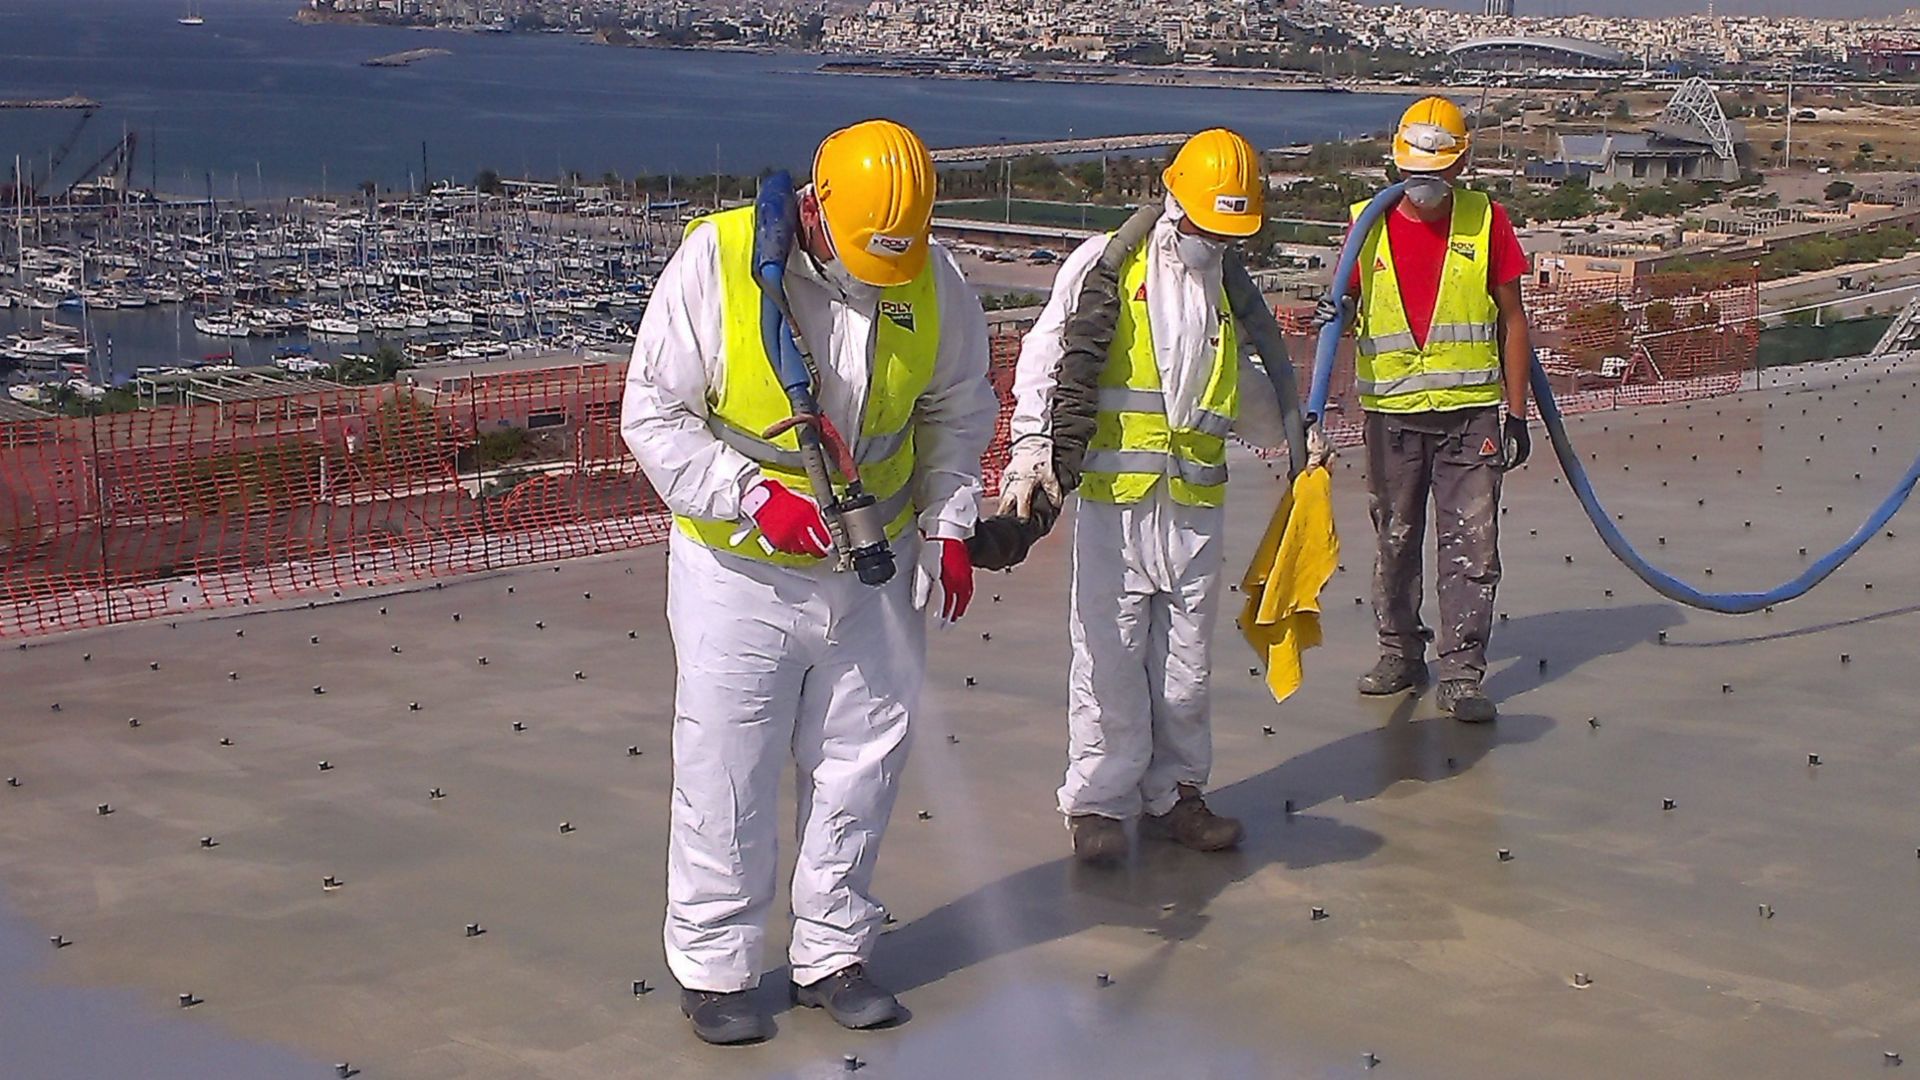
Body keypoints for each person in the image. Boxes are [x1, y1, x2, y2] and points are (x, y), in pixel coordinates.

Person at [621, 119, 998, 1045]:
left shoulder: (930, 277)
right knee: (727, 767)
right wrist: (751, 496)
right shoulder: (718, 264)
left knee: (863, 761)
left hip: (875, 566)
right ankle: (716, 968)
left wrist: (951, 524)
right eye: (867, 255)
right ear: (820, 209)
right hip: (740, 573)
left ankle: (833, 949)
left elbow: (959, 409)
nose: (882, 275)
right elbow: (653, 413)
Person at [999, 129, 1289, 865]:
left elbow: (1240, 386)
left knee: (1187, 669)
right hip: (1116, 502)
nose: (1214, 240)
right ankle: (1097, 802)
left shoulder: (1223, 286)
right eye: (1208, 226)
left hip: (1192, 506)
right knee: (1109, 659)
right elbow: (1047, 365)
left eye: (1228, 232)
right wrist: (1033, 455)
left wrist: (1295, 429)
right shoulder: (1109, 269)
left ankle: (1176, 795)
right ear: (1176, 204)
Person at [1315, 96, 1535, 723]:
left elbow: (1513, 320)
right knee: (1395, 539)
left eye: (1438, 171)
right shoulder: (1367, 224)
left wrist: (1515, 414)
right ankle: (1400, 653)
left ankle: (1462, 672)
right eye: (1416, 170)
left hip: (1471, 416)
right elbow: (1339, 316)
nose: (1426, 184)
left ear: (1462, 165)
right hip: (1391, 418)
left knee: (1471, 546)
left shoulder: (1487, 221)